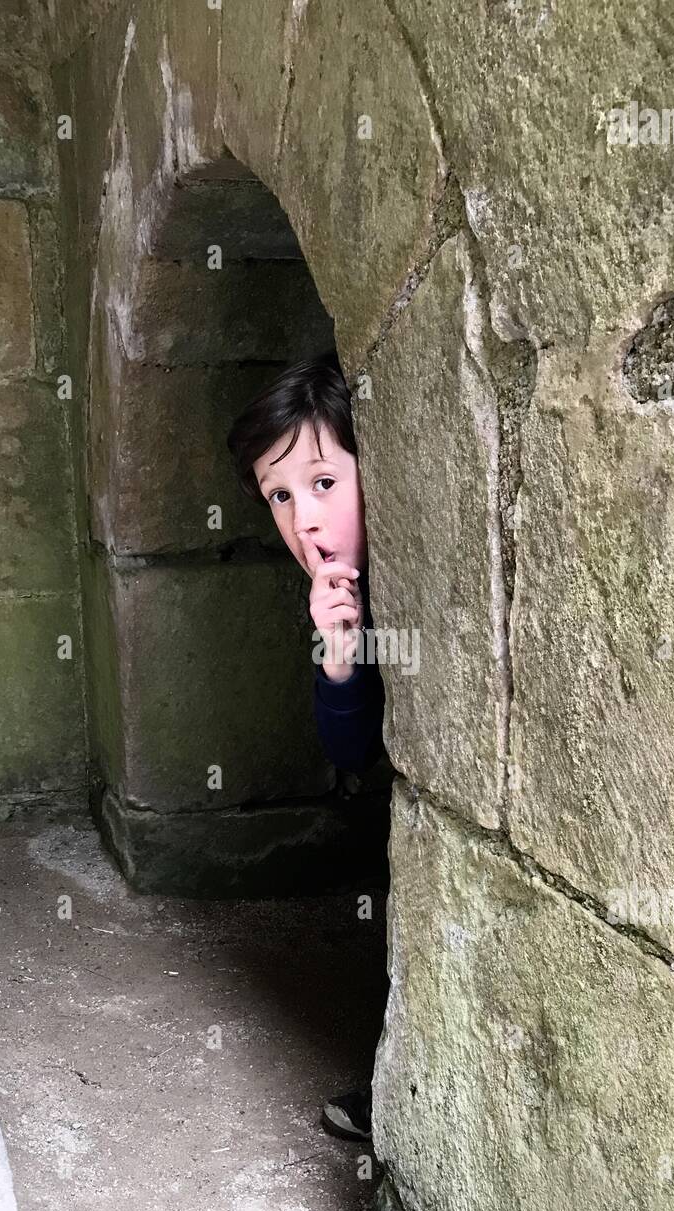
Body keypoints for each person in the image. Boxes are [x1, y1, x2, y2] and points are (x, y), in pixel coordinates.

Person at [227, 351, 386, 1141]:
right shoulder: (334, 591)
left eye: (325, 483)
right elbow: (349, 747)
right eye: (279, 496)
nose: (303, 519)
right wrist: (338, 655)